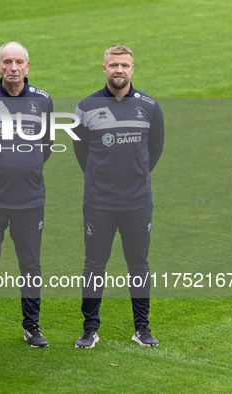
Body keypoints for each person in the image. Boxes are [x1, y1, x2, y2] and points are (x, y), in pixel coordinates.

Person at [72, 44, 164, 348]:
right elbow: (81, 151)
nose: (119, 70)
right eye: (113, 65)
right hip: (99, 202)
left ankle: (142, 328)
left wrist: (135, 174)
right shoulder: (85, 107)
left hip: (137, 202)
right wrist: (102, 177)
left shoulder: (150, 106)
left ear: (133, 69)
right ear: (104, 69)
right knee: (94, 264)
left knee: (138, 264)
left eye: (124, 65)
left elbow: (155, 149)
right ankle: (90, 329)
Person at [0, 42, 53, 349]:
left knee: (30, 264)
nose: (13, 67)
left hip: (30, 200)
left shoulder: (43, 101)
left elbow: (46, 146)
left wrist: (23, 170)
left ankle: (31, 325)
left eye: (19, 62)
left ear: (28, 66)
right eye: (7, 62)